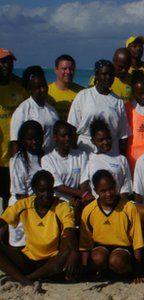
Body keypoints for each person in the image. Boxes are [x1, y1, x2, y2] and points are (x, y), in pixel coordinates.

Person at [0, 170, 80, 287]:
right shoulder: (24, 204)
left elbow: (70, 230)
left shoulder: (61, 206)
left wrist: (74, 252)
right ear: (34, 190)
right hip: (29, 258)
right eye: (42, 190)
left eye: (50, 190)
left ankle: (26, 279)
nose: (46, 194)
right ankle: (26, 279)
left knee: (70, 247)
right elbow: (3, 221)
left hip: (52, 260)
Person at [80, 170, 144, 281]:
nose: (108, 194)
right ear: (96, 191)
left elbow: (137, 241)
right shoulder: (88, 210)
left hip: (123, 249)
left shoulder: (129, 208)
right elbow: (85, 244)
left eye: (111, 189)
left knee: (116, 261)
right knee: (97, 258)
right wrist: (85, 269)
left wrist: (137, 271)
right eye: (103, 191)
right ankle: (105, 273)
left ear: (115, 186)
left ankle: (124, 273)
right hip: (100, 247)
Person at [68, 60, 130, 155]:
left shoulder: (118, 101)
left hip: (110, 150)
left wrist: (122, 158)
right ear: (96, 75)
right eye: (104, 74)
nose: (108, 77)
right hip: (86, 149)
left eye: (111, 74)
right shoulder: (83, 95)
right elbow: (72, 127)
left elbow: (123, 135)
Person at [8, 121, 44, 247]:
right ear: (23, 140)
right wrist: (35, 213)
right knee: (21, 247)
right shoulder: (18, 160)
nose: (34, 142)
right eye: (30, 139)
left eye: (37, 138)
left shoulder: (45, 156)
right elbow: (20, 195)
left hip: (40, 208)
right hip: (23, 208)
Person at [0, 48, 29, 205]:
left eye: (9, 62)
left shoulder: (19, 87)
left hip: (15, 154)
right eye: (3, 62)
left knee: (10, 198)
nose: (6, 66)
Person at [10, 66, 59, 154]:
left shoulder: (52, 110)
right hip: (31, 161)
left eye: (44, 86)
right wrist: (16, 164)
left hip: (50, 161)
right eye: (38, 87)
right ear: (30, 90)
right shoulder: (22, 110)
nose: (43, 90)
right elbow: (15, 141)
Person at [41, 121, 92, 205]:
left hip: (78, 201)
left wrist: (80, 198)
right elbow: (57, 186)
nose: (67, 138)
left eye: (69, 135)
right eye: (63, 136)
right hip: (58, 203)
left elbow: (84, 180)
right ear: (55, 137)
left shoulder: (81, 155)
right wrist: (82, 194)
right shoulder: (47, 159)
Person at [86, 119, 132, 199]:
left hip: (119, 206)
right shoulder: (88, 160)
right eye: (101, 140)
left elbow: (126, 186)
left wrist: (117, 205)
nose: (106, 142)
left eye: (108, 138)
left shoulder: (122, 159)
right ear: (93, 141)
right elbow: (85, 185)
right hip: (97, 206)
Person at [47, 54, 83, 121]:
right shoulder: (46, 92)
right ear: (56, 70)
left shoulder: (82, 93)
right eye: (64, 69)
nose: (68, 72)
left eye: (71, 69)